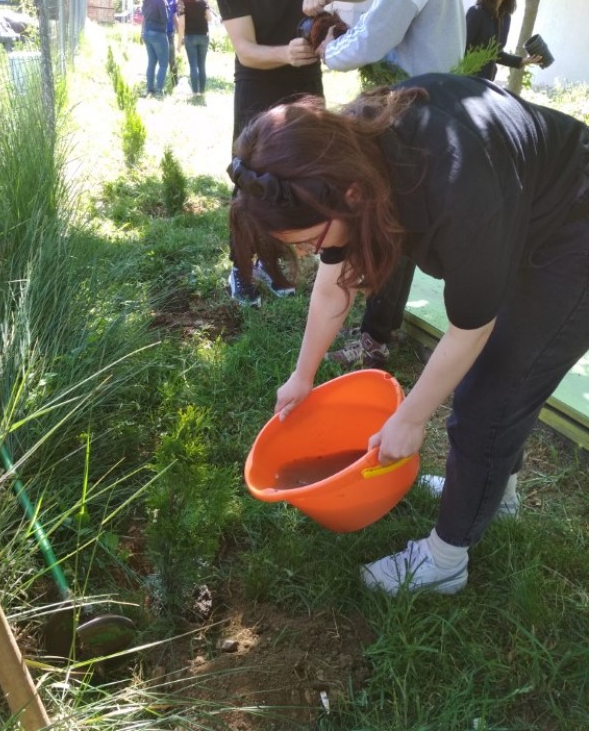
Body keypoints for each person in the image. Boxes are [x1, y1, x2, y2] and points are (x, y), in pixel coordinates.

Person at [228, 73, 589, 595]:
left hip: (574, 227)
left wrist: (411, 417)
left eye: (308, 242)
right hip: (520, 209)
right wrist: (301, 376)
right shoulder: (342, 162)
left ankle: (446, 561)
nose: (310, 255)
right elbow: (333, 287)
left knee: (493, 393)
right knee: (501, 386)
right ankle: (497, 496)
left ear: (349, 196)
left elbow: (471, 328)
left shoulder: (456, 185)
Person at [315, 0, 466, 368]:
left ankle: (375, 337)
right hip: (435, 111)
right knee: (403, 224)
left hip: (409, 118)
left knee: (391, 226)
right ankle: (380, 327)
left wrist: (329, 52)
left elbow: (375, 37)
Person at [214, 0, 381, 307]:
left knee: (311, 174)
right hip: (257, 80)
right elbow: (245, 50)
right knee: (250, 183)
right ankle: (241, 269)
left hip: (305, 79)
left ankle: (276, 264)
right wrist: (285, 54)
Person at [466, 0, 541, 81]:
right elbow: (462, 46)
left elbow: (496, 54)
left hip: (487, 82)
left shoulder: (505, 18)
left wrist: (523, 61)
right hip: (467, 77)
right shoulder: (476, 12)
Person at [175, 0, 212, 97]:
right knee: (202, 65)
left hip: (190, 36)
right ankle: (202, 92)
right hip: (203, 35)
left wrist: (179, 42)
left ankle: (195, 92)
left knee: (193, 65)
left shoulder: (181, 1)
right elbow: (210, 17)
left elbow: (182, 24)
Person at [141, 0, 169, 97]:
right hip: (159, 34)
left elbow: (144, 15)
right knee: (163, 63)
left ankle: (149, 88)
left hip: (147, 32)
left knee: (151, 62)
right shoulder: (160, 1)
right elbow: (165, 19)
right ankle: (159, 90)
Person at [156, 0, 180, 87]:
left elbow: (175, 18)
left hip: (169, 34)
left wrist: (181, 34)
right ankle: (158, 84)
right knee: (156, 60)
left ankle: (175, 83)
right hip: (157, 34)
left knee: (171, 60)